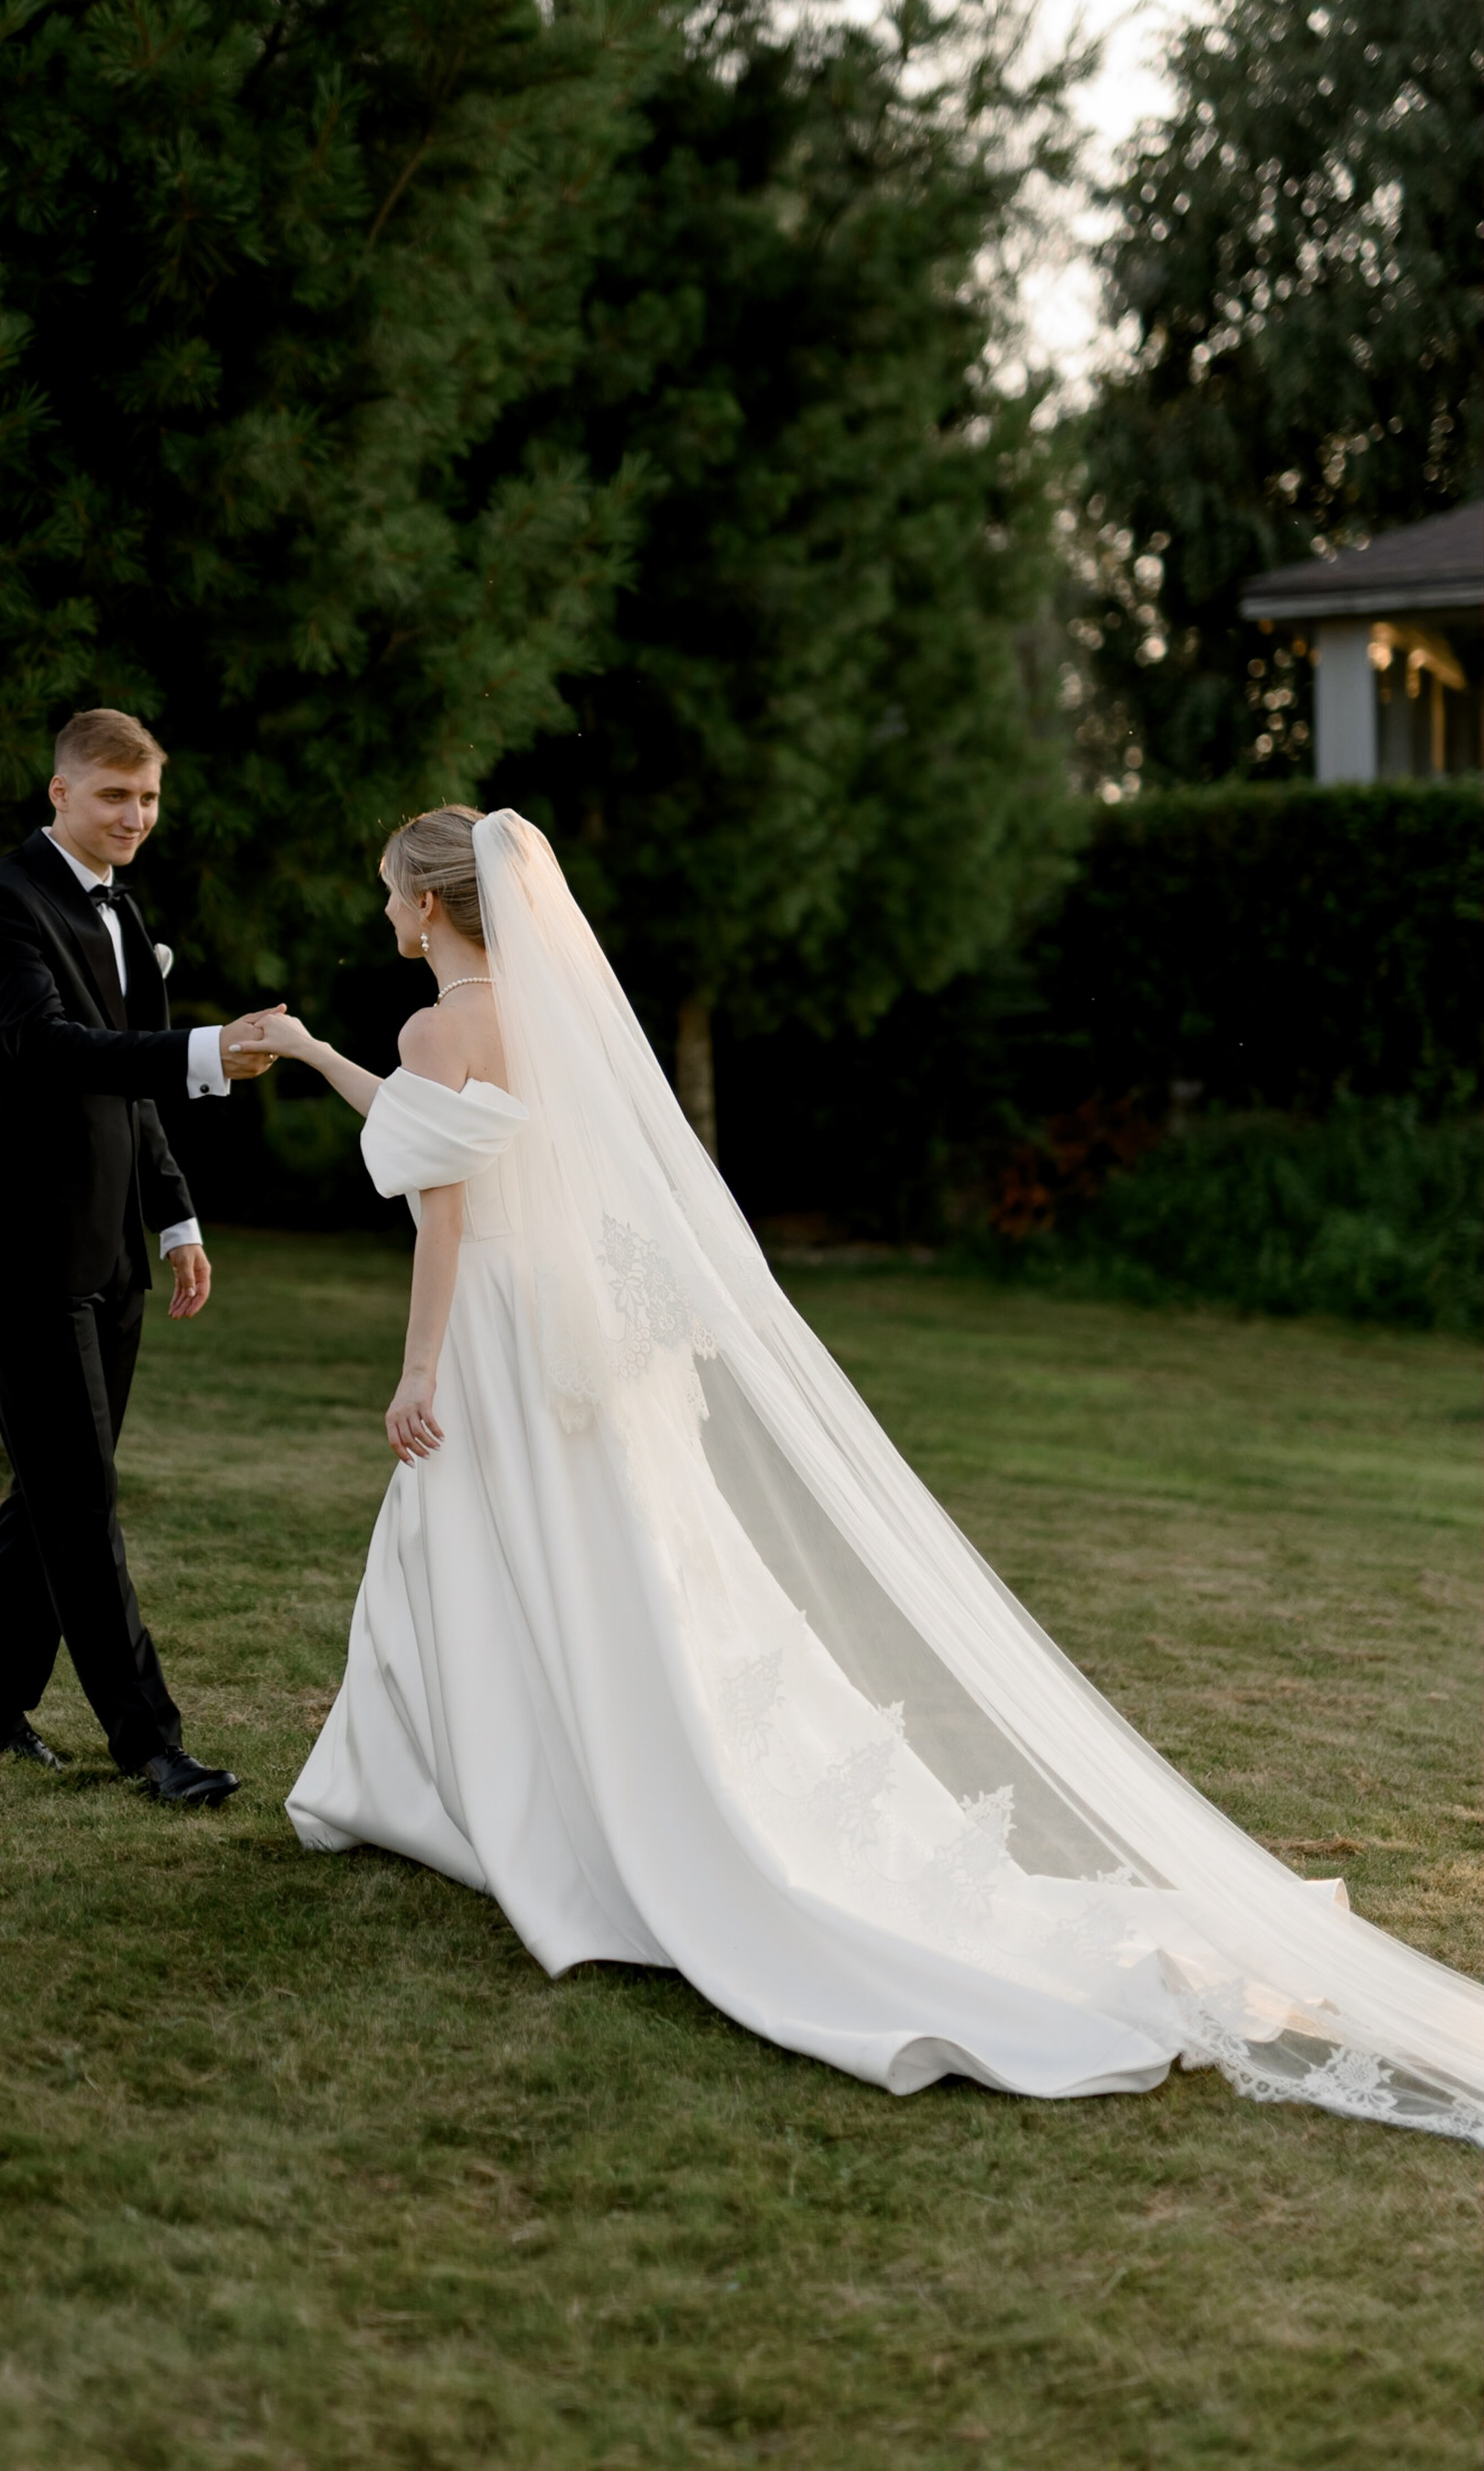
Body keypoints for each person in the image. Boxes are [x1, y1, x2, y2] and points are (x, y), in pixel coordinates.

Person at [263, 804, 1484, 2143]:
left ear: (430, 907)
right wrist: (317, 1051)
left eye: (390, 892)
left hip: (499, 1325)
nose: (384, 911)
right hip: (572, 1331)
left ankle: (505, 1801)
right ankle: (449, 1784)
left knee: (497, 1550)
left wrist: (418, 1364)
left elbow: (442, 1206)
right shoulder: (534, 1018)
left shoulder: (441, 1025)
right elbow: (446, 1140)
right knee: (598, 1562)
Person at [0, 707, 283, 1804]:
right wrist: (207, 1052)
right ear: (59, 794)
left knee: (52, 1490)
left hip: (106, 1245)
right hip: (12, 1244)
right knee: (80, 1497)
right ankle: (151, 1744)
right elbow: (47, 1051)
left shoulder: (125, 910)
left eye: (149, 799)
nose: (135, 816)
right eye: (113, 796)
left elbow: (126, 1096)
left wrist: (173, 1216)